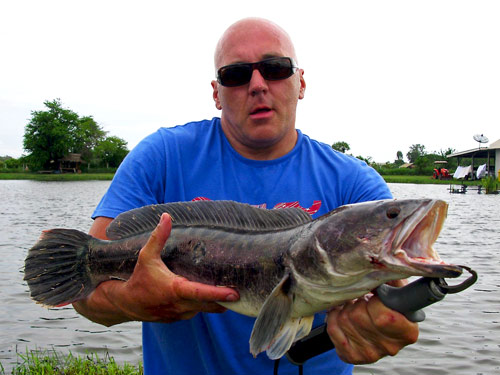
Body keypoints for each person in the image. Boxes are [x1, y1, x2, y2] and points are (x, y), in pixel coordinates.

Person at [73, 17, 418, 374]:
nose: (257, 85)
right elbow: (84, 292)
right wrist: (129, 301)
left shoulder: (356, 185)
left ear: (300, 82)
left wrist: (382, 323)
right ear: (216, 93)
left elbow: (396, 302)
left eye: (275, 68)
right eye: (236, 74)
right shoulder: (161, 157)